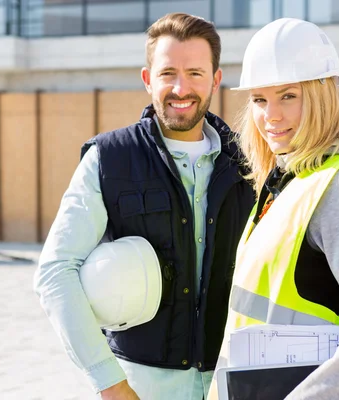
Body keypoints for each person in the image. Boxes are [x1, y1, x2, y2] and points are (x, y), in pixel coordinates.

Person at [34, 13, 255, 400]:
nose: (181, 87)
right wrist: (110, 384)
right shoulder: (109, 158)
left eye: (195, 73)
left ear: (216, 80)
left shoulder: (252, 162)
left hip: (234, 383)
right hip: (139, 388)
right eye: (168, 72)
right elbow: (55, 272)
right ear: (147, 79)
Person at [206, 18, 339, 399]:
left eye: (288, 96)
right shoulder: (286, 181)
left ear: (321, 95)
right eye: (259, 99)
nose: (272, 115)